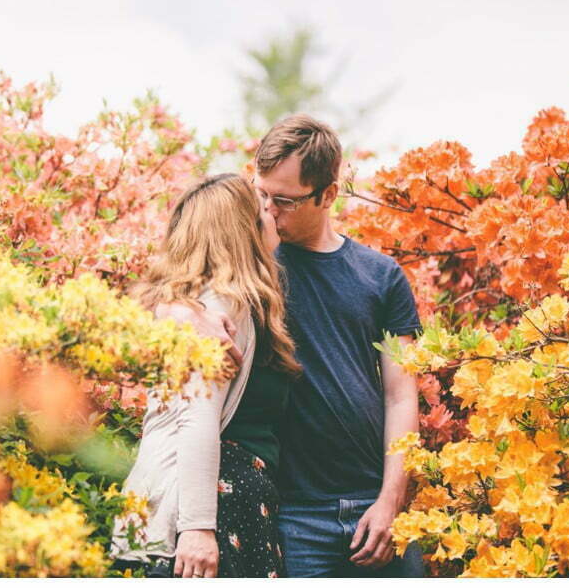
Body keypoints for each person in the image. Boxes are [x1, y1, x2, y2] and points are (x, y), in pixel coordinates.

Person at [175, 115, 424, 578]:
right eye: (262, 194)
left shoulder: (382, 276)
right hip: (291, 511)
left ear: (328, 195)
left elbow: (401, 394)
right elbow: (169, 289)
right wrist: (186, 315)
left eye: (285, 201)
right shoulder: (253, 268)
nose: (269, 211)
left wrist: (391, 501)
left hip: (375, 503)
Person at [110, 173, 302, 578]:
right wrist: (197, 527)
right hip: (215, 503)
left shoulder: (217, 307)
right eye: (262, 206)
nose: (272, 211)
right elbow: (196, 417)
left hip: (231, 500)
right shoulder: (221, 308)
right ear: (244, 228)